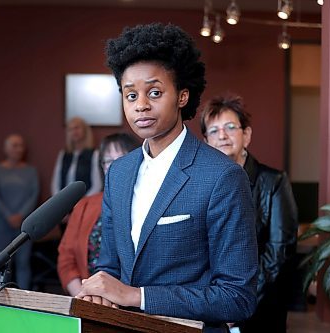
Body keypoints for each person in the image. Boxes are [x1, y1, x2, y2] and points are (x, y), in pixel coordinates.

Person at [76, 23, 258, 330]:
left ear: (182, 96)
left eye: (155, 92)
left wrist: (138, 296)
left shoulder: (222, 176)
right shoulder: (118, 173)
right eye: (130, 95)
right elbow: (109, 265)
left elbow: (237, 297)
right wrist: (98, 292)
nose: (141, 105)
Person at [201, 94, 298, 333]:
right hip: (211, 305)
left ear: (246, 135)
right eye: (213, 130)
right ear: (205, 141)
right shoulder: (201, 185)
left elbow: (279, 252)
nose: (221, 135)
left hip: (261, 304)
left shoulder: (273, 181)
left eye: (230, 127)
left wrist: (238, 300)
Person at [57, 133, 139, 296]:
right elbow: (66, 258)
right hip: (89, 299)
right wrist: (84, 299)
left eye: (122, 158)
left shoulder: (150, 204)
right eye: (108, 160)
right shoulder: (85, 205)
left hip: (135, 303)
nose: (115, 165)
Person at [0, 134, 39, 289]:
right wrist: (8, 215)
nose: (18, 149)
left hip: (24, 225)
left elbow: (34, 195)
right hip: (1, 223)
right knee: (1, 263)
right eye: (14, 145)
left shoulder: (31, 171)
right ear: (6, 148)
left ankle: (23, 303)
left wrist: (21, 215)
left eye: (21, 145)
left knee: (23, 263)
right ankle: (0, 301)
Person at [51, 116, 102, 197]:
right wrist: (58, 201)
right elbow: (55, 183)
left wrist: (83, 202)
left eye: (77, 128)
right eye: (70, 129)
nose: (74, 132)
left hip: (85, 202)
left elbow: (97, 185)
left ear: (85, 131)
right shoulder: (63, 154)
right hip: (63, 202)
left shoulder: (94, 154)